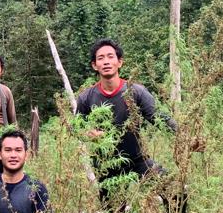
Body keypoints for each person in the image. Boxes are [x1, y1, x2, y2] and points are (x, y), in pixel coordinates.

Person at [75, 38, 177, 193]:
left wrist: (184, 137)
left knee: (174, 191)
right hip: (106, 165)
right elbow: (77, 129)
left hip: (138, 160)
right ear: (95, 65)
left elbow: (159, 118)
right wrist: (90, 134)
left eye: (110, 56)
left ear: (119, 62)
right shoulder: (86, 97)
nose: (106, 62)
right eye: (100, 58)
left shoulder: (136, 92)